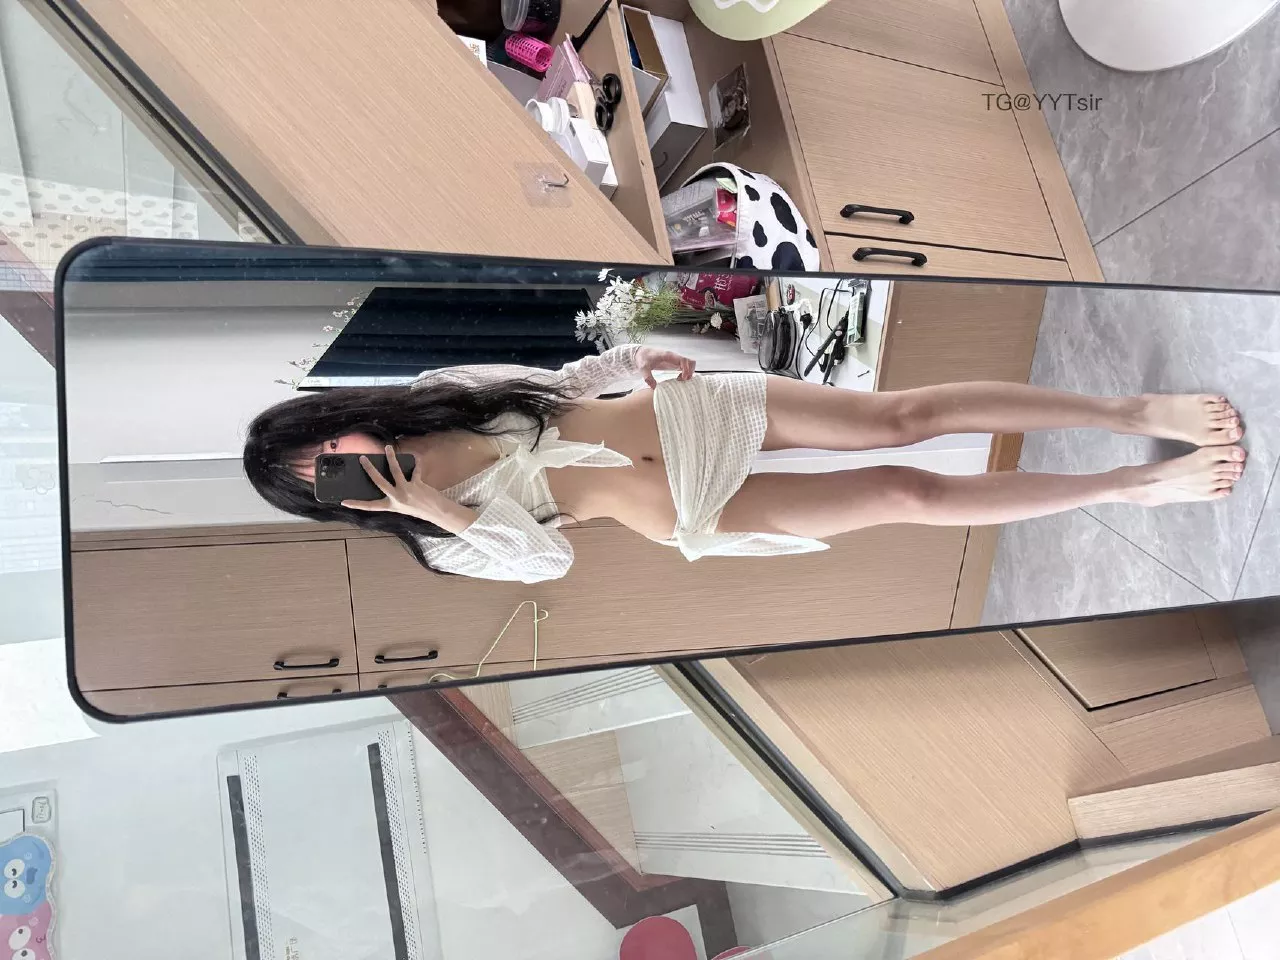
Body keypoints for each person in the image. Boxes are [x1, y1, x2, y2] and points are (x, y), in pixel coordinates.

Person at [242, 343, 1247, 584]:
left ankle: (1129, 412)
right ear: (328, 501)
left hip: (689, 414)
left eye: (323, 441)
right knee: (906, 491)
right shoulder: (439, 546)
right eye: (319, 474)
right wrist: (446, 514)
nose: (338, 459)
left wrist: (638, 359)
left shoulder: (438, 389)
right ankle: (1132, 483)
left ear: (339, 417)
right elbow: (550, 562)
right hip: (687, 513)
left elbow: (563, 380)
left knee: (902, 418)